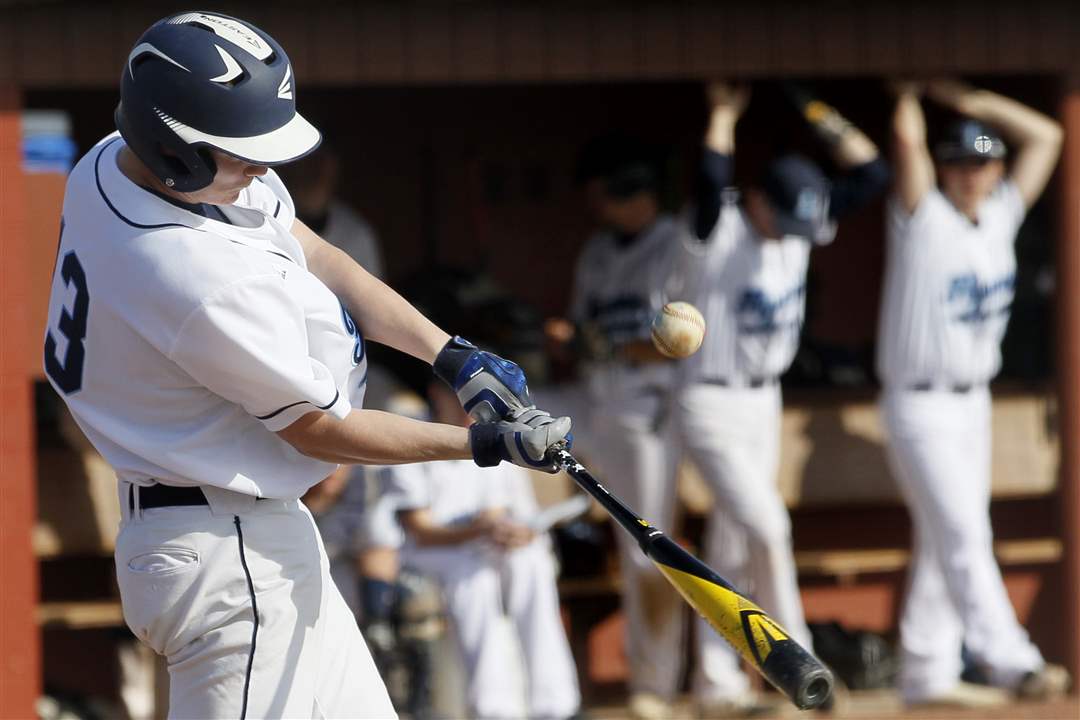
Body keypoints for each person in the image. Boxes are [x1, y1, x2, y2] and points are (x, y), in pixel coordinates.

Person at [41, 11, 570, 719]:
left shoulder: (112, 159)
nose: (263, 168)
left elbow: (315, 252)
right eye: (240, 151)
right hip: (226, 556)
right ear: (173, 148)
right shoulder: (190, 275)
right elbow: (320, 431)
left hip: (251, 535)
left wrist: (448, 352)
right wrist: (479, 445)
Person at [673, 81, 890, 716]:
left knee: (733, 543)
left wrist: (818, 113)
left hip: (762, 401)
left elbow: (873, 172)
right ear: (760, 201)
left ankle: (717, 682)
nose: (795, 231)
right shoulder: (718, 228)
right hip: (707, 401)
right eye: (784, 217)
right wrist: (721, 114)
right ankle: (804, 673)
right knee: (770, 526)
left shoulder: (800, 221)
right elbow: (710, 180)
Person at [879, 79, 1069, 708]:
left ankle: (926, 671)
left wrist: (966, 100)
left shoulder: (1003, 214)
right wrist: (908, 96)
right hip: (919, 401)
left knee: (944, 536)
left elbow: (1048, 135)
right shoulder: (924, 217)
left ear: (997, 169)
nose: (970, 174)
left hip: (973, 401)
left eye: (982, 162)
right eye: (958, 162)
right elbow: (906, 143)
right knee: (964, 532)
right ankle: (1013, 662)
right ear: (944, 169)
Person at [545, 136, 685, 720]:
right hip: (596, 402)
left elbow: (680, 342)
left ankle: (654, 684)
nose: (597, 204)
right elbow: (581, 335)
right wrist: (567, 339)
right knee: (509, 418)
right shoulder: (598, 252)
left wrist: (612, 346)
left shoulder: (677, 245)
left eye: (604, 193)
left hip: (647, 409)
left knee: (648, 547)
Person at [384, 379, 582, 720]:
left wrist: (510, 533)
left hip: (476, 546)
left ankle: (555, 704)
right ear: (436, 394)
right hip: (430, 555)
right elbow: (420, 529)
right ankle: (494, 708)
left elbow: (493, 514)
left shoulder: (490, 440)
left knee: (530, 564)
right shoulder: (414, 439)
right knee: (474, 579)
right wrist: (484, 529)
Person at [276, 147, 385, 280]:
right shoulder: (273, 219)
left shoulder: (357, 233)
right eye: (309, 167)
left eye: (321, 167)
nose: (316, 175)